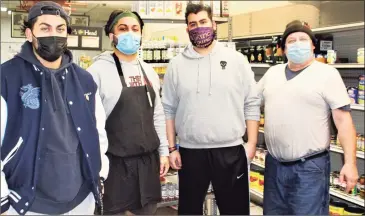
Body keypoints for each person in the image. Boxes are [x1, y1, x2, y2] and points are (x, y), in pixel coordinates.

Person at [0, 1, 109, 215]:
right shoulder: (7, 78)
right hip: (26, 202)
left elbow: (98, 133)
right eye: (45, 28)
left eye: (60, 29)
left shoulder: (84, 80)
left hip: (80, 199)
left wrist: (100, 174)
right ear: (30, 34)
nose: (54, 35)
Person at [162, 3, 261, 215]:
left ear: (214, 24)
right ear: (187, 29)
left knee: (234, 210)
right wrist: (172, 148)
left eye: (203, 22)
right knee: (189, 210)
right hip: (190, 152)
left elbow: (251, 102)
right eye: (193, 24)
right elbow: (168, 108)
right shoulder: (176, 65)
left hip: (231, 150)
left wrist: (251, 143)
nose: (199, 28)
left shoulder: (237, 60)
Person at [258, 20, 359, 215]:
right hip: (274, 166)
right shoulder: (272, 73)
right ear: (283, 48)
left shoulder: (327, 74)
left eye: (303, 39)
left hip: (309, 168)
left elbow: (344, 122)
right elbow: (250, 102)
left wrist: (350, 163)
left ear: (313, 45)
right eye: (291, 40)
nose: (297, 43)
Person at [87, 10, 169, 215]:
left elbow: (157, 114)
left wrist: (164, 152)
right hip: (114, 164)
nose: (130, 34)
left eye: (135, 29)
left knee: (147, 211)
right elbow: (90, 125)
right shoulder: (97, 72)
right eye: (122, 29)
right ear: (111, 35)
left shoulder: (148, 71)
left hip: (147, 163)